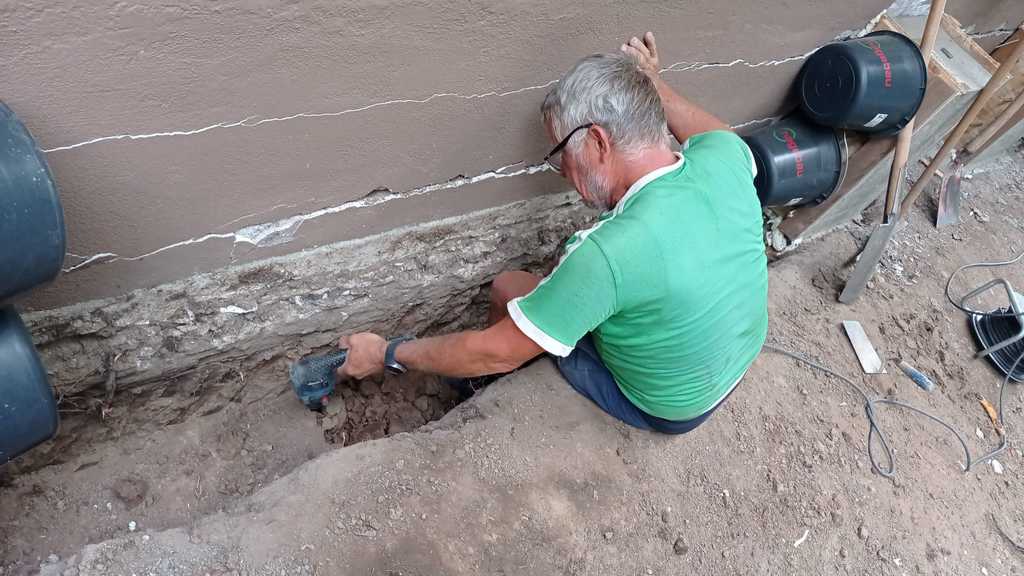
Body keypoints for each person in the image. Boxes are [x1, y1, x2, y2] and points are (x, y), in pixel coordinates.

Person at [337, 32, 767, 434]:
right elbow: (716, 133)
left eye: (563, 156)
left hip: (667, 406)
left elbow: (495, 350)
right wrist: (652, 83)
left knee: (509, 289)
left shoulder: (607, 254)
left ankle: (476, 389)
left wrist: (385, 353)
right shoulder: (726, 157)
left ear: (598, 141)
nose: (564, 173)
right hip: (734, 362)